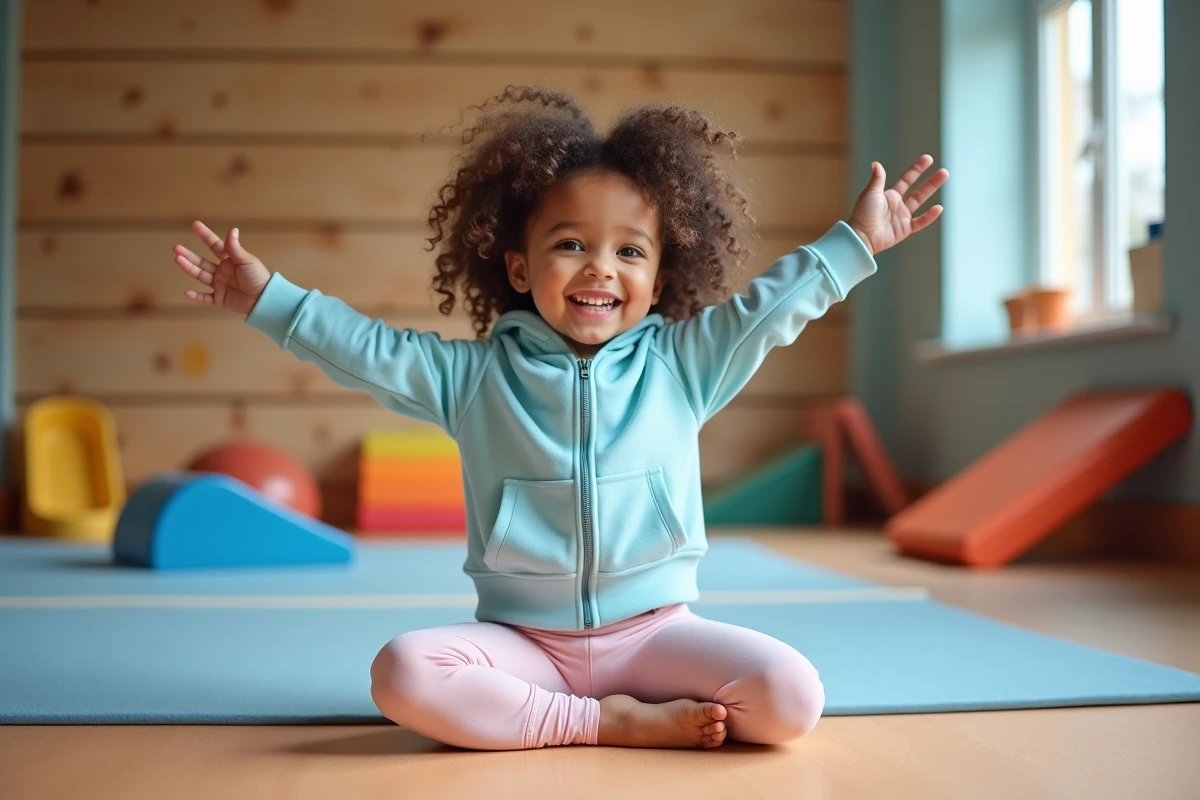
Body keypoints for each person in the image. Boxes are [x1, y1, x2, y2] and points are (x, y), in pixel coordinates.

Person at [172, 87, 947, 751]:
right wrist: (268, 299)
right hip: (521, 644)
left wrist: (855, 245)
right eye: (570, 243)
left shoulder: (684, 365)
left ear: (658, 277)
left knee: (791, 698)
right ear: (518, 266)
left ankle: (572, 717)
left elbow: (770, 310)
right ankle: (601, 724)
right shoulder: (470, 377)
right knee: (402, 673)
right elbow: (368, 350)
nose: (600, 267)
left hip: (656, 637)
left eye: (629, 252)